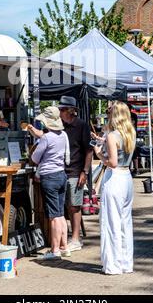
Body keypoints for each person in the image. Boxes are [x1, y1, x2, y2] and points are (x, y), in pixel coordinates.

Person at [94, 101, 136, 275]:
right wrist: (104, 139)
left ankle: (113, 264)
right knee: (125, 222)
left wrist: (99, 154)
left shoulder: (113, 135)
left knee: (111, 222)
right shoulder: (130, 133)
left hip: (116, 177)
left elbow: (112, 162)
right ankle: (126, 263)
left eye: (109, 111)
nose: (107, 114)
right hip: (127, 177)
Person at [29, 106, 71, 260]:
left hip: (49, 177)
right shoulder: (63, 135)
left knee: (53, 216)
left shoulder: (47, 138)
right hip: (61, 175)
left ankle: (54, 250)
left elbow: (35, 158)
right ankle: (64, 247)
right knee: (60, 214)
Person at [58, 96, 93, 252]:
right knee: (67, 206)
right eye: (60, 110)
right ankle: (68, 237)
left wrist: (84, 172)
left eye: (62, 110)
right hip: (62, 170)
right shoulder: (60, 126)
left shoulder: (82, 126)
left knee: (75, 206)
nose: (60, 112)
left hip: (76, 170)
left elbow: (89, 150)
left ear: (71, 111)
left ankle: (76, 239)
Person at [127, 103, 139, 176]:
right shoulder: (124, 116)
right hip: (126, 135)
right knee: (127, 152)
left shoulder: (133, 115)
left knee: (134, 153)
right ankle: (128, 168)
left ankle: (136, 169)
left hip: (132, 135)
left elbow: (133, 124)